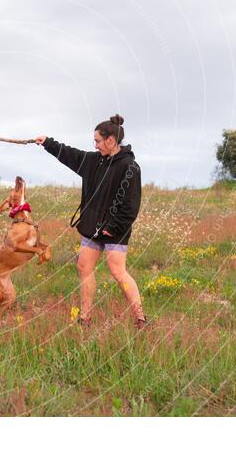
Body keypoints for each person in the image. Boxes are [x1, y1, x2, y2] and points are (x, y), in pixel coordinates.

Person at [34, 114, 147, 328]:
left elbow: (132, 206)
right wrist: (48, 142)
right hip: (91, 228)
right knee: (84, 267)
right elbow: (71, 155)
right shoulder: (93, 161)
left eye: (97, 141)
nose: (95, 145)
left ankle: (140, 318)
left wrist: (112, 227)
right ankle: (85, 318)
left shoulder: (130, 167)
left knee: (117, 271)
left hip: (115, 230)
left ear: (111, 140)